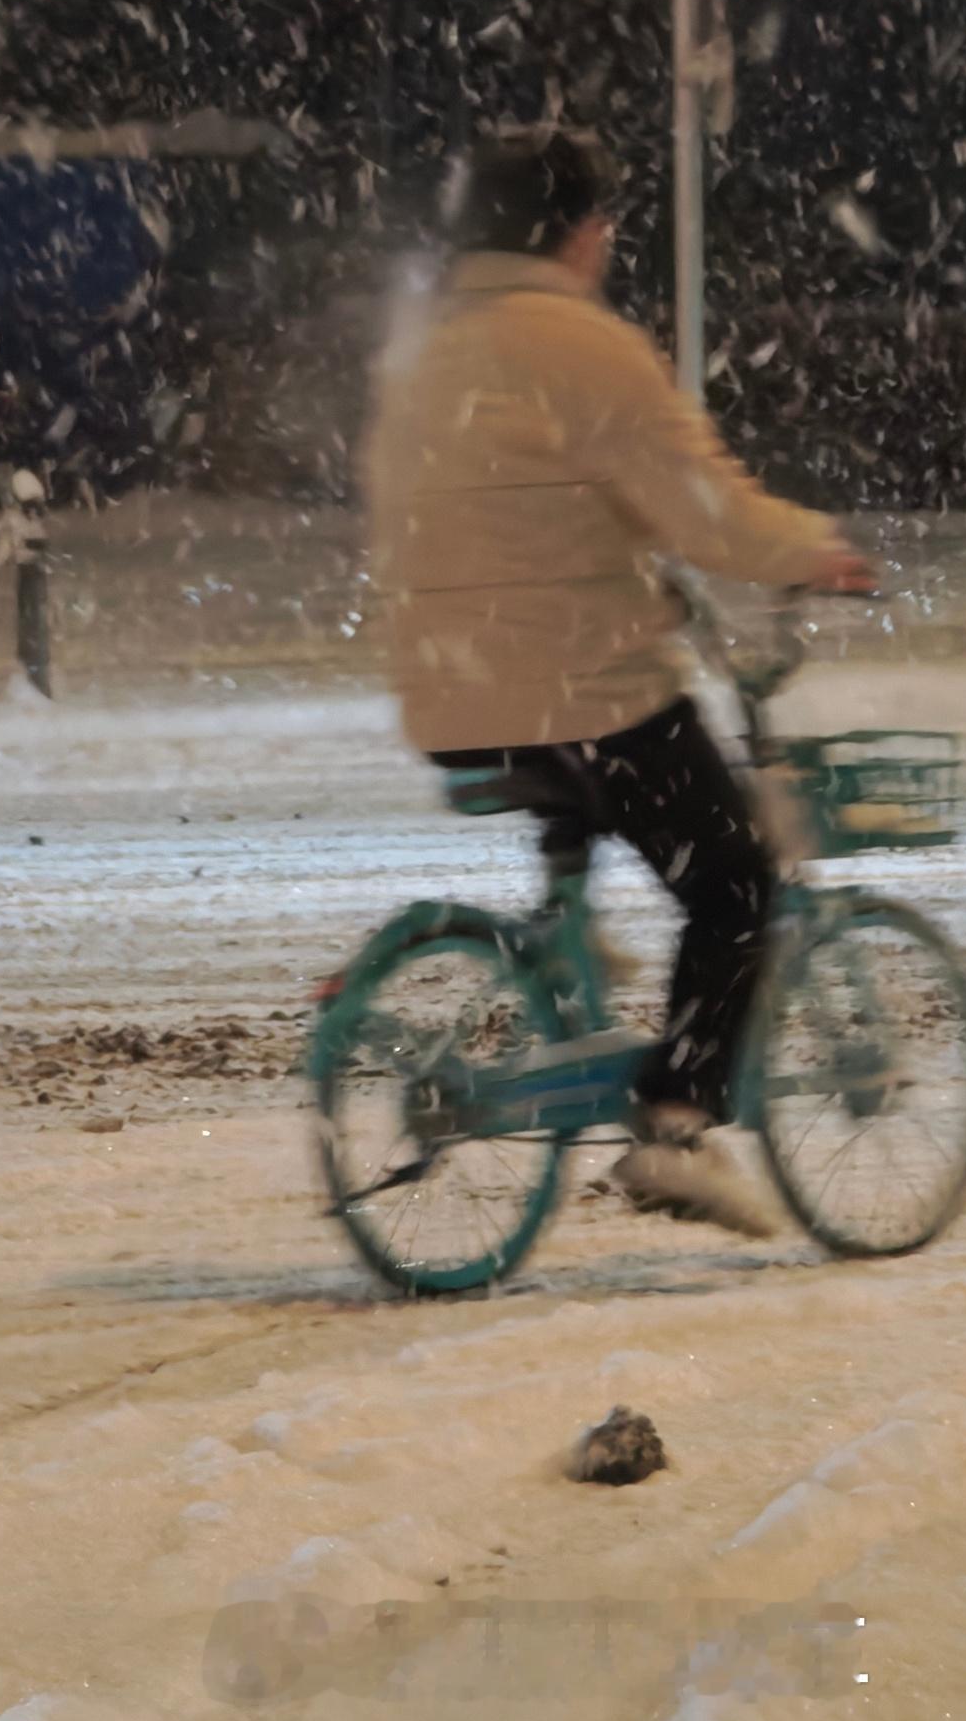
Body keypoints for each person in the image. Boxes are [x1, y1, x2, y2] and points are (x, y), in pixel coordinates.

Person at [359, 123, 879, 1238]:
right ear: (577, 232)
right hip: (581, 692)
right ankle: (677, 1126)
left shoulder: (424, 349)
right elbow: (704, 508)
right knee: (737, 877)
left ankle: (565, 963)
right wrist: (811, 552)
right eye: (602, 225)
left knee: (606, 813)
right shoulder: (582, 347)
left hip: (455, 701)